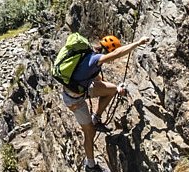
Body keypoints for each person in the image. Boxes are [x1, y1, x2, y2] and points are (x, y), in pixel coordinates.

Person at [60, 34, 151, 171]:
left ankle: (95, 118)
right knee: (89, 132)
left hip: (79, 89)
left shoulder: (89, 54)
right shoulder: (95, 59)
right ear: (108, 51)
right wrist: (137, 43)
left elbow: (97, 79)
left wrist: (116, 88)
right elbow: (118, 53)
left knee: (112, 89)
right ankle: (90, 165)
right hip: (75, 100)